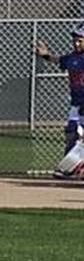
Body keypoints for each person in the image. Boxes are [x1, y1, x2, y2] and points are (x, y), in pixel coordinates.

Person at [35, 22, 84, 159]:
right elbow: (59, 60)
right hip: (77, 103)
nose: (76, 44)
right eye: (75, 41)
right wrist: (45, 55)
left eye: (80, 41)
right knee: (71, 132)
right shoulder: (72, 58)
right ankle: (70, 164)